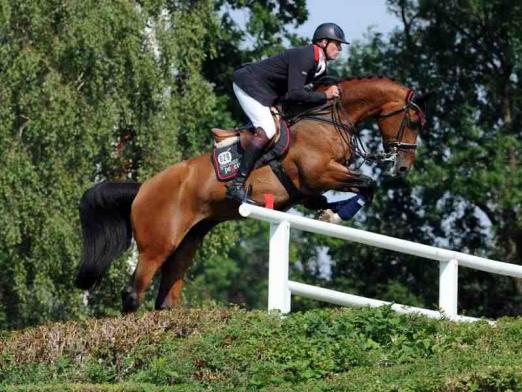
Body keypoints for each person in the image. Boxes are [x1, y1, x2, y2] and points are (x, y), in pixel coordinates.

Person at [226, 22, 349, 202]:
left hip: (267, 93)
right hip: (249, 85)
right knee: (267, 129)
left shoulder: (320, 65)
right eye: (337, 44)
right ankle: (236, 185)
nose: (339, 49)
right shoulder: (306, 56)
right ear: (323, 42)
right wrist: (325, 95)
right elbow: (295, 94)